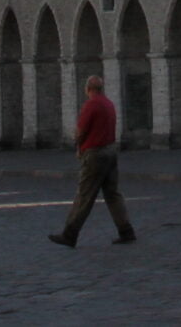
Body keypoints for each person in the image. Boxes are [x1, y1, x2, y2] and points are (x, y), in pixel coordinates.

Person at [47, 75, 134, 249]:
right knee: (112, 194)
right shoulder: (109, 104)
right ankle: (126, 231)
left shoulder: (91, 105)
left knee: (84, 195)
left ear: (88, 89)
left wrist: (78, 146)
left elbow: (80, 131)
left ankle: (69, 234)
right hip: (110, 151)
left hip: (95, 154)